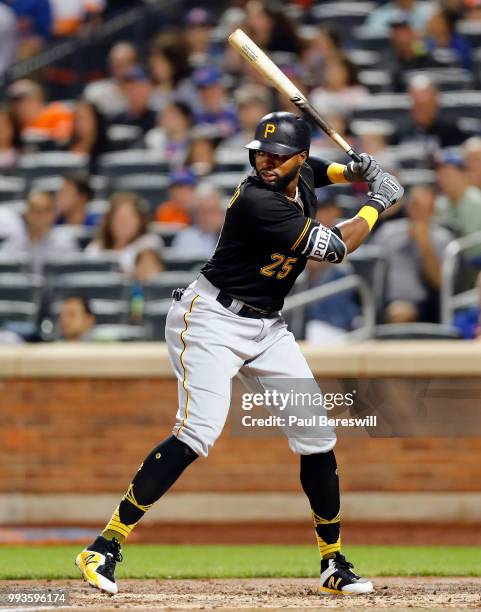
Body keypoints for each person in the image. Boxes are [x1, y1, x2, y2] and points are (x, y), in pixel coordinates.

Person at [76, 111, 403, 596]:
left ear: (299, 159)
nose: (266, 162)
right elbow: (334, 248)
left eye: (277, 155)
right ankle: (105, 544)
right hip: (209, 319)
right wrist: (377, 200)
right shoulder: (258, 200)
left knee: (316, 435)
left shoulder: (302, 174)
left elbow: (323, 171)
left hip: (266, 326)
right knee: (197, 432)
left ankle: (332, 563)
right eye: (261, 153)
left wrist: (352, 170)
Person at [371, 185, 454, 323]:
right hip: (383, 300)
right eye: (414, 205)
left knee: (400, 313)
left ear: (432, 209)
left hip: (423, 304)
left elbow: (439, 282)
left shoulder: (443, 238)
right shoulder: (388, 232)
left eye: (423, 207)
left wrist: (424, 244)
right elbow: (369, 267)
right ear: (407, 207)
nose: (417, 211)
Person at [1, 190, 78, 275]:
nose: (38, 217)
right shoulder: (15, 241)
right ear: (27, 213)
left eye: (44, 211)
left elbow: (71, 275)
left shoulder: (64, 242)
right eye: (34, 210)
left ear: (52, 214)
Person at [87, 191, 163, 275]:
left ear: (140, 221)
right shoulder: (95, 247)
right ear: (109, 221)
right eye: (118, 218)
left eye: (128, 218)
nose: (123, 223)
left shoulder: (149, 243)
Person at [390, 74, 469, 151]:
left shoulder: (451, 129)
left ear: (436, 102)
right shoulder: (399, 129)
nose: (423, 110)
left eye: (427, 105)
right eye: (419, 105)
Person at [7, 79, 73, 148]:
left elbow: (63, 139)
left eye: (26, 101)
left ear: (39, 98)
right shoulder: (12, 124)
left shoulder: (57, 113)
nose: (21, 107)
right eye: (16, 103)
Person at [83, 42, 138, 118]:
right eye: (119, 63)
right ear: (111, 65)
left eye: (128, 62)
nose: (123, 67)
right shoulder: (95, 90)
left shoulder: (142, 90)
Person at [435, 151, 481, 241]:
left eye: (448, 175)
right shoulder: (440, 203)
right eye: (441, 176)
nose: (444, 182)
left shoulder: (476, 202)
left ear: (464, 174)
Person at [170, 185, 224, 259]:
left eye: (213, 210)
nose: (209, 217)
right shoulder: (185, 238)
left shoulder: (233, 235)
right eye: (204, 212)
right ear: (195, 214)